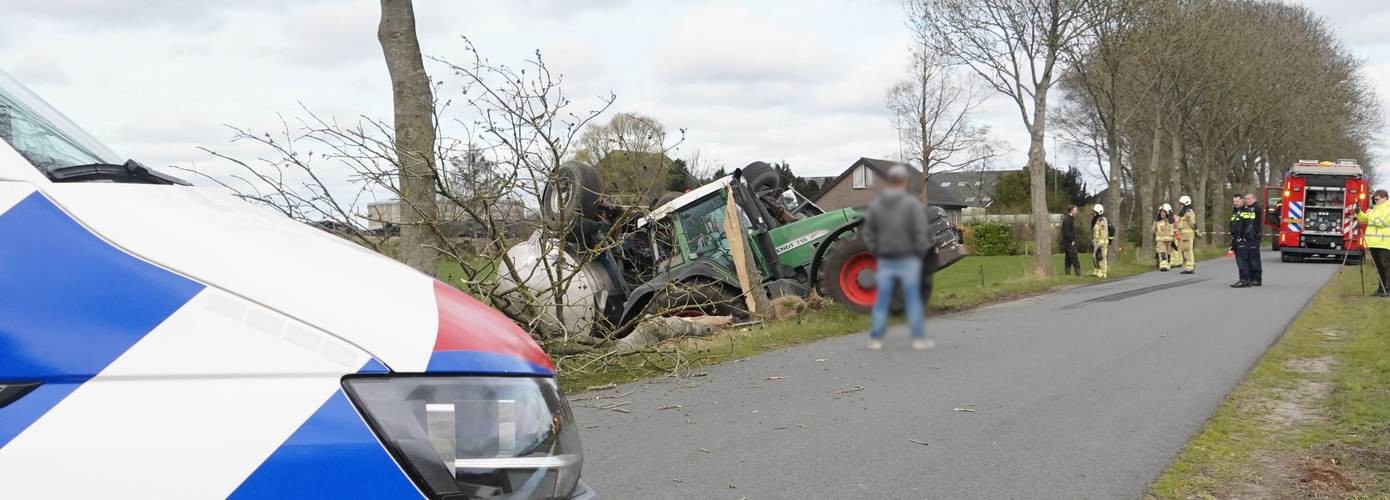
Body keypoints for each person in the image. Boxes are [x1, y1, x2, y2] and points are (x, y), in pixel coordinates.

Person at [861, 164, 934, 350]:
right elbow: (920, 232)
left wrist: (876, 251)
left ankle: (876, 338)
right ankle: (918, 338)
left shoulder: (876, 206)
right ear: (904, 181)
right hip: (909, 260)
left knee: (882, 300)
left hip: (885, 260)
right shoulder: (912, 205)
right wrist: (920, 253)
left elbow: (868, 234)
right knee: (912, 299)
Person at [1356, 189, 1390, 296]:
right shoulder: (1374, 209)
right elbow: (1364, 220)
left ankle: (1388, 290)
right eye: (1375, 198)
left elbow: (1380, 222)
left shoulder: (1388, 209)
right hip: (1373, 243)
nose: (1375, 200)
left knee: (1386, 267)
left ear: (1385, 198)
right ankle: (1381, 289)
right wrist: (1358, 212)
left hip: (1384, 243)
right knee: (1378, 268)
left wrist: (1369, 214)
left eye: (1377, 198)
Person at [1175, 195, 1198, 274]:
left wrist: (1196, 231)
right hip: (1183, 235)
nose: (1180, 206)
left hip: (1187, 235)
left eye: (1181, 204)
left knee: (1187, 250)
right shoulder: (1183, 213)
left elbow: (1193, 223)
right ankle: (1188, 266)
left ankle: (1190, 267)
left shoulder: (1188, 213)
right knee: (1185, 250)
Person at [1061, 205, 1082, 276]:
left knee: (1068, 259)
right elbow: (1066, 232)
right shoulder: (1067, 220)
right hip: (1069, 243)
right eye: (1075, 210)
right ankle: (1078, 274)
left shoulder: (1072, 219)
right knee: (1074, 257)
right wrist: (1072, 240)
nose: (1077, 212)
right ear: (1071, 210)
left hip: (1069, 242)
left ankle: (1067, 274)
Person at [1155, 204, 1175, 271]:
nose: (1161, 213)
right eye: (1161, 212)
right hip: (1160, 241)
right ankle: (1163, 264)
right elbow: (1154, 230)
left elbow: (1174, 230)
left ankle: (1168, 263)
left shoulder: (1171, 222)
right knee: (1162, 252)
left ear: (1167, 213)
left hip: (1169, 241)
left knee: (1168, 253)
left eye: (1163, 212)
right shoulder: (1157, 222)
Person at [1092, 204, 1110, 278]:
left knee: (1102, 257)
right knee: (1096, 257)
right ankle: (1099, 271)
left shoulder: (1102, 220)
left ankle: (1103, 273)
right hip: (1097, 242)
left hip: (1102, 243)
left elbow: (1103, 232)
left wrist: (1100, 243)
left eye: (1095, 212)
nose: (1094, 213)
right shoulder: (1098, 220)